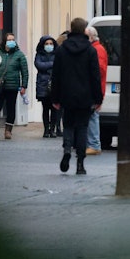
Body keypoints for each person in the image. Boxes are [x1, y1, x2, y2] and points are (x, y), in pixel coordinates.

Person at [50, 18, 103, 174]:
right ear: (84, 30)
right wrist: (98, 98)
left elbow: (56, 76)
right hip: (85, 96)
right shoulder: (90, 50)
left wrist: (55, 98)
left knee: (68, 125)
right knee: (82, 128)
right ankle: (80, 163)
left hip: (67, 95)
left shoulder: (61, 50)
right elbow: (95, 76)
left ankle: (67, 149)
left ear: (71, 29)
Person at [0, 32, 28, 142]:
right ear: (4, 41)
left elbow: (25, 71)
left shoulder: (19, 55)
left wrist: (24, 86)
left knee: (11, 107)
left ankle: (8, 130)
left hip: (12, 85)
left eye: (13, 39)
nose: (12, 41)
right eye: (9, 40)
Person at [84, 26, 108, 154]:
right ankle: (92, 143)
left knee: (92, 116)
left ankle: (94, 144)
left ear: (91, 37)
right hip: (94, 88)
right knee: (91, 116)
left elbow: (99, 70)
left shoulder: (97, 50)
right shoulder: (96, 49)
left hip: (94, 88)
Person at [33, 36, 58, 137]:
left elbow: (59, 65)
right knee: (45, 108)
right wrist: (52, 64)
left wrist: (47, 66)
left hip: (55, 84)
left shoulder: (57, 53)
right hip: (43, 84)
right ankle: (46, 129)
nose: (49, 46)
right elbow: (39, 65)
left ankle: (52, 129)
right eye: (47, 44)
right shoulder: (39, 54)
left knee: (54, 108)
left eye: (51, 44)